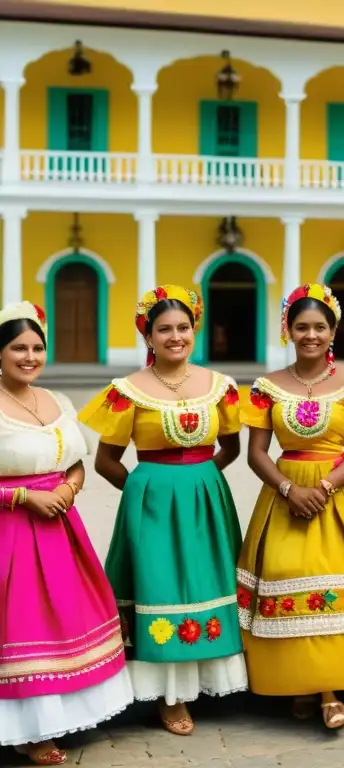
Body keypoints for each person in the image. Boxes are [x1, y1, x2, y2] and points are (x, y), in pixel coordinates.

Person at [78, 285, 246, 736]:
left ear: (195, 330)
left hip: (206, 497)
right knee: (161, 587)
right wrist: (143, 489)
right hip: (151, 501)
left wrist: (202, 480)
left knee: (206, 582)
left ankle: (207, 680)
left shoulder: (220, 387)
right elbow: (105, 460)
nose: (176, 336)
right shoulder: (127, 391)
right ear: (148, 336)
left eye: (183, 327)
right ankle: (170, 698)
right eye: (164, 329)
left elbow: (230, 446)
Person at [237, 284, 344, 729]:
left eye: (319, 327)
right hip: (284, 495)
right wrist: (289, 489)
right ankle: (295, 683)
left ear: (333, 331)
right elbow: (257, 453)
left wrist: (324, 487)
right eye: (301, 326)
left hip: (338, 496)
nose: (310, 335)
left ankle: (329, 690)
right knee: (288, 578)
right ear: (288, 330)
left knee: (335, 583)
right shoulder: (267, 387)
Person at [0, 302, 133, 766]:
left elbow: (76, 459)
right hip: (11, 530)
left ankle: (68, 714)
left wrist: (70, 486)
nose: (30, 357)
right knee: (22, 624)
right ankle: (28, 730)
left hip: (59, 526)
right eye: (18, 348)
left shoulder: (58, 401)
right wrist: (22, 498)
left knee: (65, 617)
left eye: (37, 347)